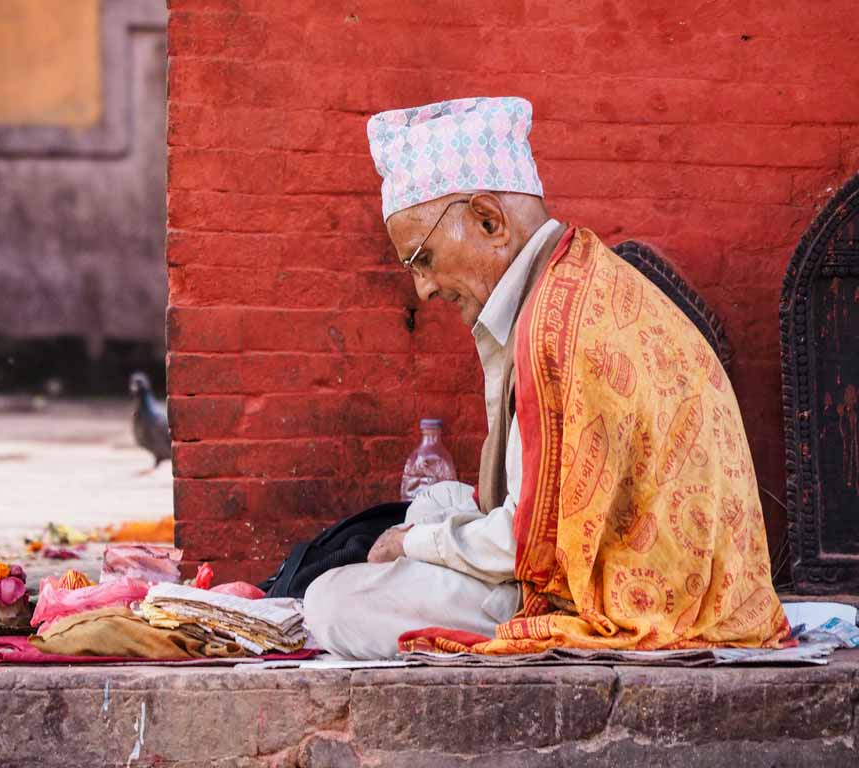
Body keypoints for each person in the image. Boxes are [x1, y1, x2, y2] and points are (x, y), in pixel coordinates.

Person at [302, 96, 790, 659]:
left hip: (618, 598)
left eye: (425, 258)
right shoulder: (573, 279)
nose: (425, 290)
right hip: (652, 572)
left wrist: (414, 544)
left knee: (335, 601)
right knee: (430, 504)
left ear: (490, 221)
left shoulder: (558, 332)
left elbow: (532, 542)